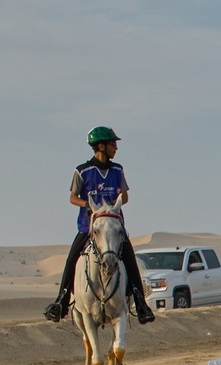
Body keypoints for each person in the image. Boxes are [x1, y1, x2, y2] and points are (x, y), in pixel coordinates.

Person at [43, 126, 151, 323]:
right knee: (71, 260)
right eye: (113, 144)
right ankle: (61, 301)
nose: (116, 148)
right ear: (101, 146)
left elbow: (124, 196)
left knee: (130, 259)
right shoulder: (82, 171)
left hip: (114, 227)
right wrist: (87, 205)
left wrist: (113, 206)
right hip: (89, 227)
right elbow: (72, 197)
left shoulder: (117, 170)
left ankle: (141, 303)